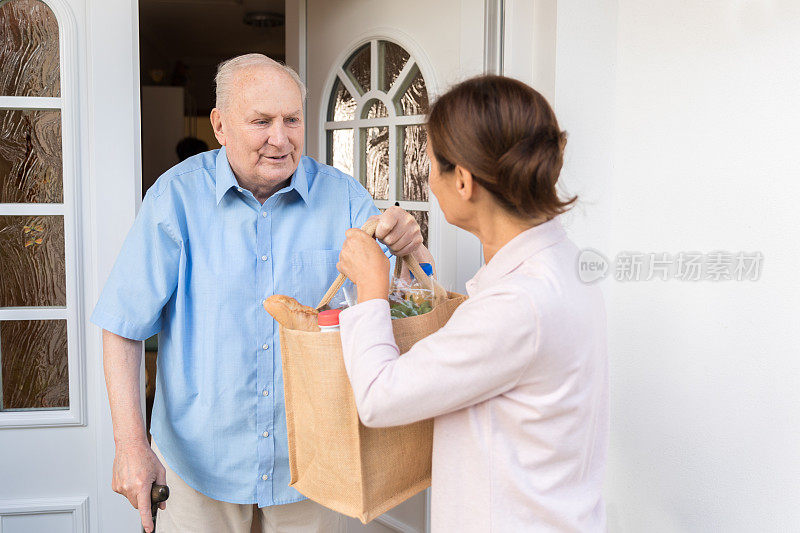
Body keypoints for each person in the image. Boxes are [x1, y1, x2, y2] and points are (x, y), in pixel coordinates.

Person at [92, 54, 430, 533]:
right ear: (220, 124)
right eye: (261, 121)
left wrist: (412, 247)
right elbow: (122, 326)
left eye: (291, 119)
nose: (281, 137)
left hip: (313, 464)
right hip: (198, 466)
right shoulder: (175, 199)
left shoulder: (347, 199)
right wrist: (130, 446)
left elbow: (398, 307)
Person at [336, 75, 608, 532]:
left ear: (462, 180)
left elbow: (379, 397)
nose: (427, 180)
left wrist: (370, 287)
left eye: (431, 164)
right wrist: (413, 268)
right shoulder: (559, 264)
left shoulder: (519, 303)